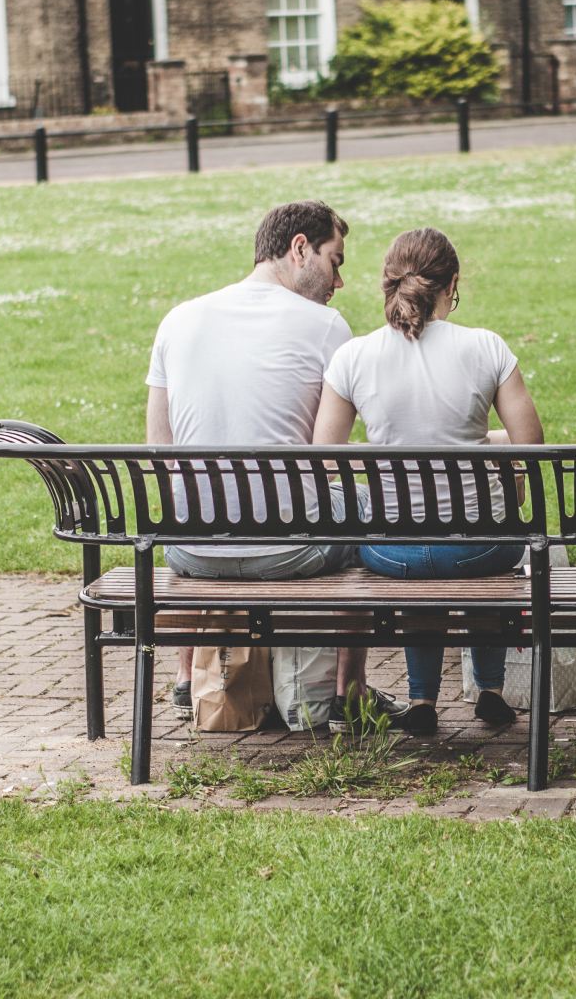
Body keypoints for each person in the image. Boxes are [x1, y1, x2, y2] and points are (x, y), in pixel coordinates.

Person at [145, 199, 403, 728]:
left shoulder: (179, 319)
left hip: (191, 550)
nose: (339, 280)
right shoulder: (326, 326)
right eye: (336, 261)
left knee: (193, 498)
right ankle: (347, 694)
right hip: (290, 549)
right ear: (299, 249)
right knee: (362, 512)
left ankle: (186, 676)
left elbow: (161, 449)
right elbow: (329, 455)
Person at [312, 227, 545, 736]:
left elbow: (326, 457)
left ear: (388, 284)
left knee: (419, 564)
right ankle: (490, 689)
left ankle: (422, 698)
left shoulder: (354, 356)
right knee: (486, 550)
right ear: (452, 283)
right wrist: (493, 456)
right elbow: (531, 445)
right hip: (482, 549)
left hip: (392, 551)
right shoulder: (486, 347)